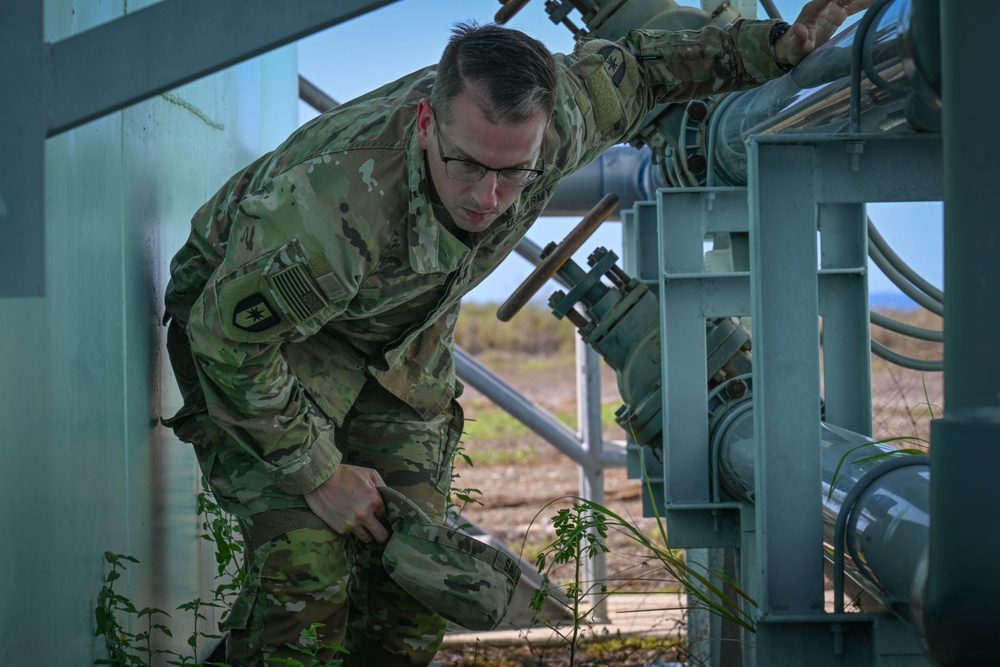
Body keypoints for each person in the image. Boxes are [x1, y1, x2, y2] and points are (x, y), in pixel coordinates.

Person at [162, 1, 869, 664]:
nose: (488, 198)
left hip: (396, 338)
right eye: (467, 164)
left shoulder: (564, 115)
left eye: (514, 172)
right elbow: (226, 340)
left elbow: (648, 65)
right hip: (267, 340)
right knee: (308, 577)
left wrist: (777, 47)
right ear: (424, 125)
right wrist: (317, 470)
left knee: (410, 591)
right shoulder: (329, 212)